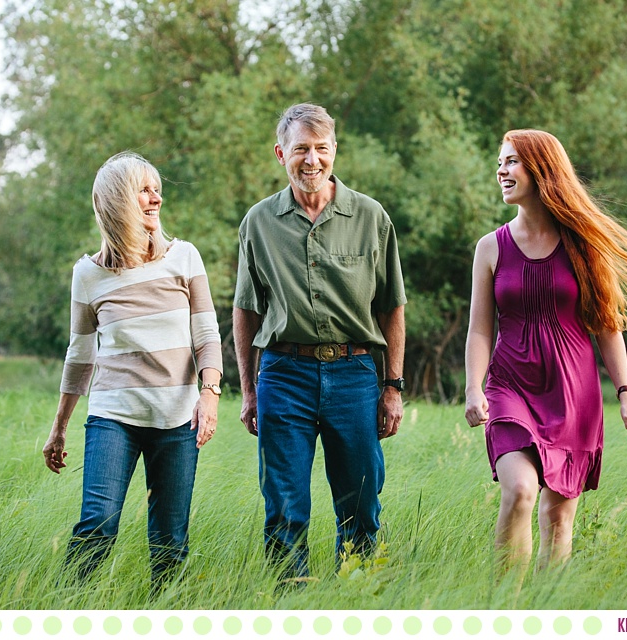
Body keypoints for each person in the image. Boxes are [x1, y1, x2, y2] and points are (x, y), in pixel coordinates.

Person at [464, 129, 627, 575]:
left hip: (573, 393)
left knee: (559, 519)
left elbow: (606, 326)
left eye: (512, 161)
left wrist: (626, 395)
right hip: (510, 385)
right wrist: (473, 388)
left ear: (542, 170)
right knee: (520, 489)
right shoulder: (490, 247)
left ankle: (544, 614)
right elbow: (480, 328)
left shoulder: (584, 246)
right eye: (500, 162)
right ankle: (504, 613)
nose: (501, 170)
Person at [233, 103, 407, 579]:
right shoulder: (258, 222)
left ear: (335, 152)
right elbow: (246, 309)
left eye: (321, 149)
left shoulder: (370, 216)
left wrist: (392, 386)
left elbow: (392, 306)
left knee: (361, 504)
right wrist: (249, 390)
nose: (311, 160)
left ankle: (355, 602)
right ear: (280, 153)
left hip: (355, 376)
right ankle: (291, 609)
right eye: (300, 150)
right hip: (283, 375)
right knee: (284, 507)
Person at [42, 152, 223, 587]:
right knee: (97, 526)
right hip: (112, 419)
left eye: (156, 188)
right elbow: (80, 354)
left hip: (177, 420)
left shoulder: (184, 258)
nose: (156, 197)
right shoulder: (87, 274)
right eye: (143, 189)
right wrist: (60, 426)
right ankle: (71, 614)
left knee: (169, 544)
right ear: (117, 201)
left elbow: (207, 335)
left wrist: (210, 395)